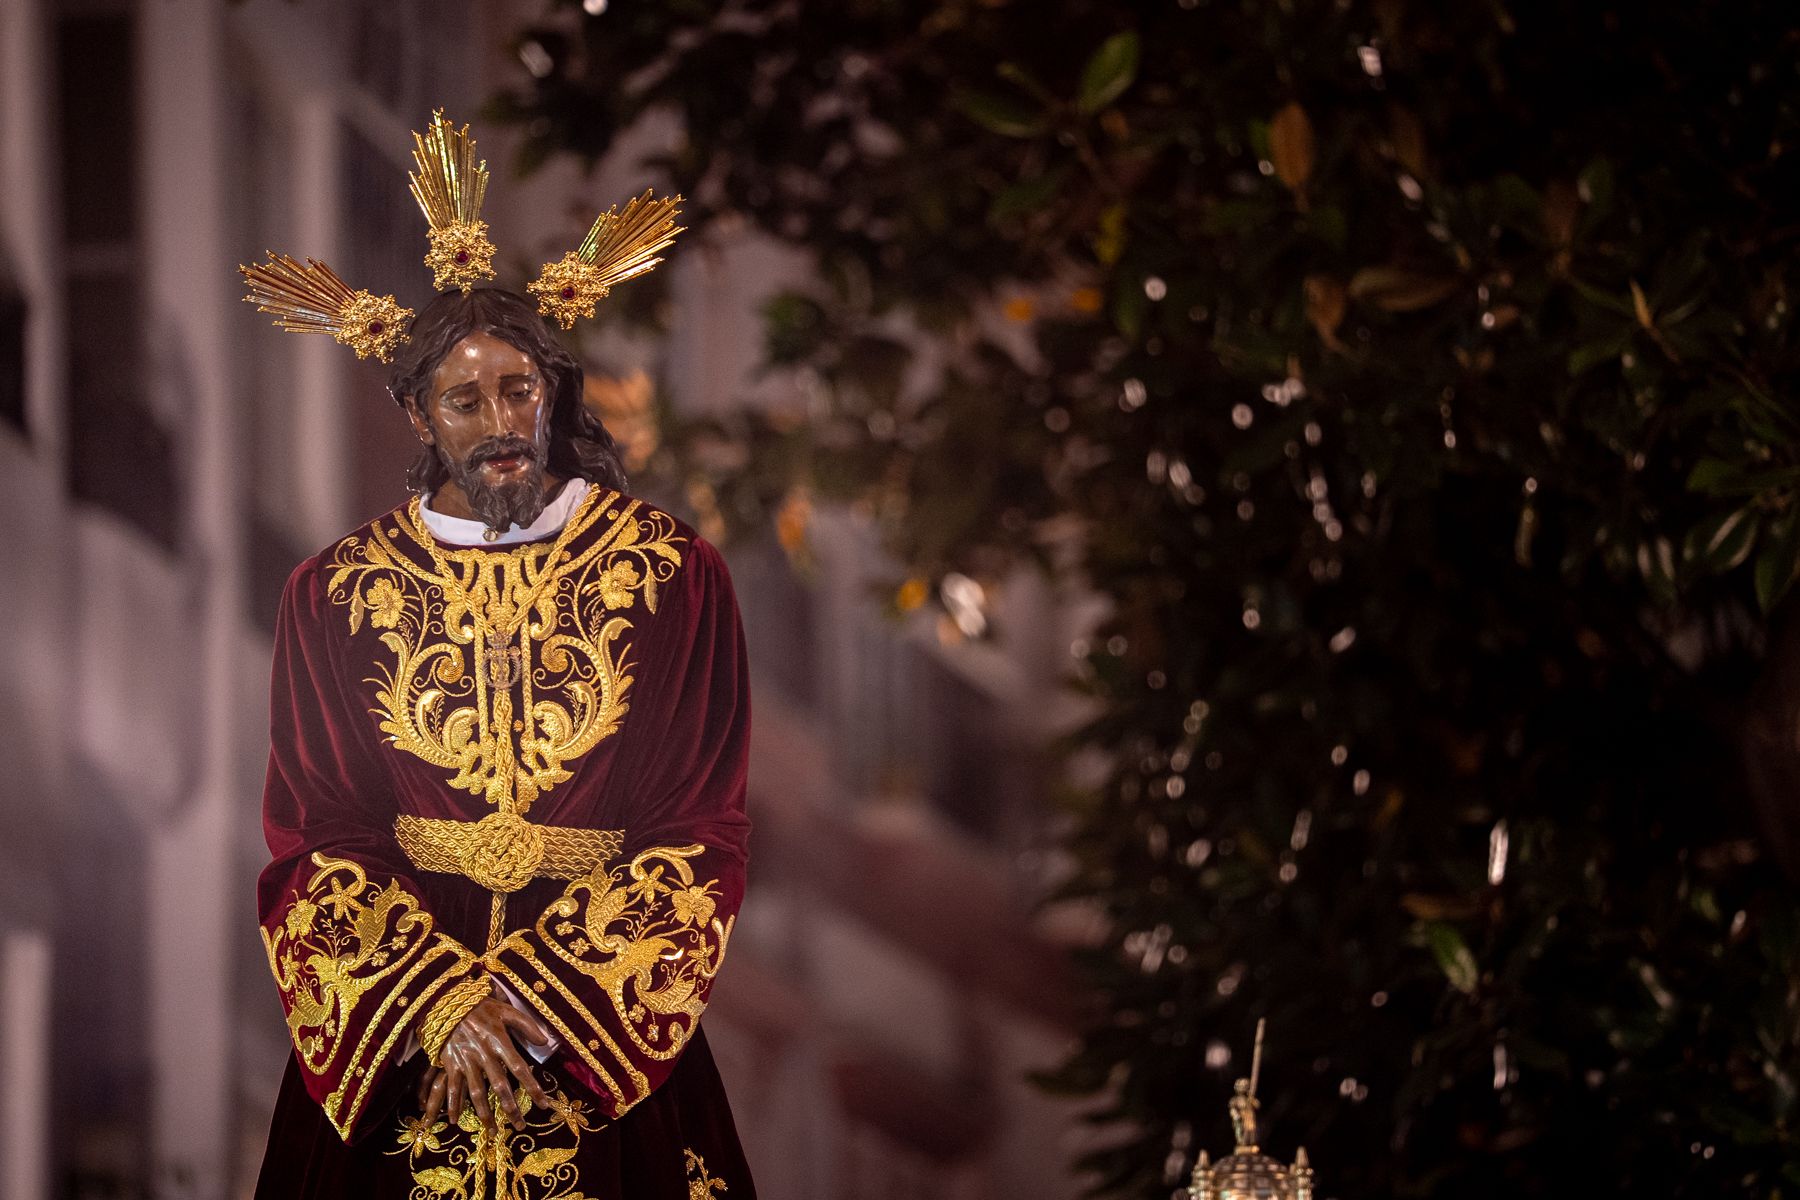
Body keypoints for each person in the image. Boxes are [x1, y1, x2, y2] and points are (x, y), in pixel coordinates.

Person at [243, 113, 752, 1200]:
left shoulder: (671, 575)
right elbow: (317, 836)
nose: (500, 422)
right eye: (464, 401)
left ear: (553, 391)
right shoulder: (333, 594)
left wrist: (535, 1011)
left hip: (593, 1036)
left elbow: (696, 828)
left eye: (519, 390)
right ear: (419, 415)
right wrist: (437, 1005)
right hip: (407, 1034)